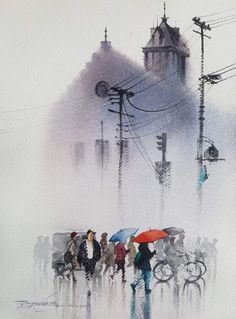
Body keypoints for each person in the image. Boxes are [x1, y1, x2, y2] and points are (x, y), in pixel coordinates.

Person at [77, 229, 101, 296]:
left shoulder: (96, 243)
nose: (91, 236)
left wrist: (96, 259)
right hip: (86, 261)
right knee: (87, 275)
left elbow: (99, 252)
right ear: (87, 235)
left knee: (91, 274)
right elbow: (80, 253)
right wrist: (80, 262)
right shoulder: (83, 243)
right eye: (90, 234)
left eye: (92, 235)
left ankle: (90, 287)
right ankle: (88, 289)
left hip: (93, 261)